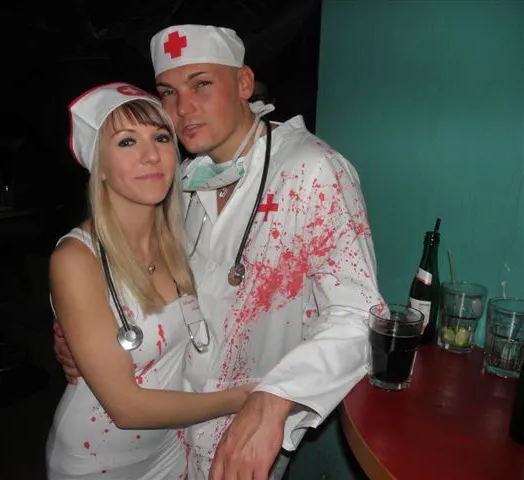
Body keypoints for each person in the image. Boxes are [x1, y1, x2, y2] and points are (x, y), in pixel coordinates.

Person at [55, 25, 383, 479]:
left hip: (244, 436)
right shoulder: (181, 183)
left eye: (202, 84)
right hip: (173, 431)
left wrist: (274, 398)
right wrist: (84, 337)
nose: (183, 108)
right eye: (168, 92)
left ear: (244, 83)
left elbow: (360, 316)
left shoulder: (312, 171)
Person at [46, 82, 254, 480]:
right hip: (96, 464)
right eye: (127, 142)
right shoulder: (77, 259)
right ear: (98, 166)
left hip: (172, 451)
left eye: (161, 137)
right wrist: (246, 398)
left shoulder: (188, 235)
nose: (151, 155)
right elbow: (126, 408)